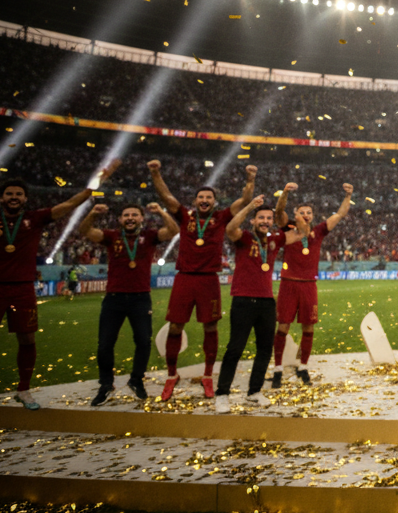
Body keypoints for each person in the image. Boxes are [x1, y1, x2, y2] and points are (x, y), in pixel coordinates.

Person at [0, 161, 119, 410]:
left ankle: (24, 390)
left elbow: (69, 204)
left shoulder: (34, 219)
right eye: (9, 194)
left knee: (27, 339)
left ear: (25, 198)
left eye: (18, 194)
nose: (14, 197)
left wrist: (99, 180)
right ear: (1, 198)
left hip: (23, 288)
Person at [150, 160, 256, 401]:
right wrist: (155, 172)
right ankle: (171, 375)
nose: (205, 200)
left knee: (211, 326)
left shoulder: (220, 217)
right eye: (201, 198)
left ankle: (208, 376)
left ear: (214, 202)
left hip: (209, 280)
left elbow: (243, 201)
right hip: (184, 279)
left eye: (209, 197)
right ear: (195, 201)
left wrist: (250, 180)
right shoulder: (185, 217)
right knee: (176, 326)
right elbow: (166, 197)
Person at [78, 200, 179, 405]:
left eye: (134, 215)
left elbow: (173, 229)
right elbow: (85, 229)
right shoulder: (111, 236)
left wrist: (160, 210)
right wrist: (93, 213)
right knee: (105, 344)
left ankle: (136, 380)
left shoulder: (149, 237)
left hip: (140, 298)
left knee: (143, 341)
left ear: (141, 218)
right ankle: (106, 384)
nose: (130, 218)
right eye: (126, 215)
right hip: (114, 298)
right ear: (120, 219)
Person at [271, 183, 353, 388]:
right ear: (296, 214)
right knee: (283, 326)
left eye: (309, 212)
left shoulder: (319, 231)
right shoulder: (288, 228)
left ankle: (303, 366)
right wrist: (286, 193)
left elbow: (341, 214)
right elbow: (278, 211)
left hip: (309, 285)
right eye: (302, 212)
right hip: (289, 284)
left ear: (313, 216)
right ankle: (278, 368)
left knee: (308, 328)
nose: (306, 215)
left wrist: (348, 195)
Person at [214, 194, 290, 413]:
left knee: (265, 349)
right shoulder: (244, 237)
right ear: (254, 221)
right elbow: (230, 228)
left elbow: (294, 228)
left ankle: (254, 392)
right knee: (235, 348)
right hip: (243, 300)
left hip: (266, 301)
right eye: (261, 218)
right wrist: (249, 206)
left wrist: (284, 198)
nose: (265, 221)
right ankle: (222, 394)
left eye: (268, 218)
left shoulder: (275, 239)